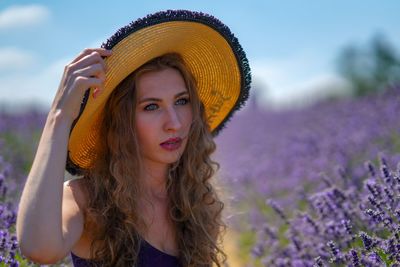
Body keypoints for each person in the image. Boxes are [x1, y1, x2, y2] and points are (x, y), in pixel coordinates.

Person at [16, 10, 251, 267]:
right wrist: (59, 117)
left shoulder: (195, 202)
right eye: (152, 106)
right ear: (121, 121)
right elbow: (40, 249)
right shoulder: (87, 199)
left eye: (182, 101)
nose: (175, 123)